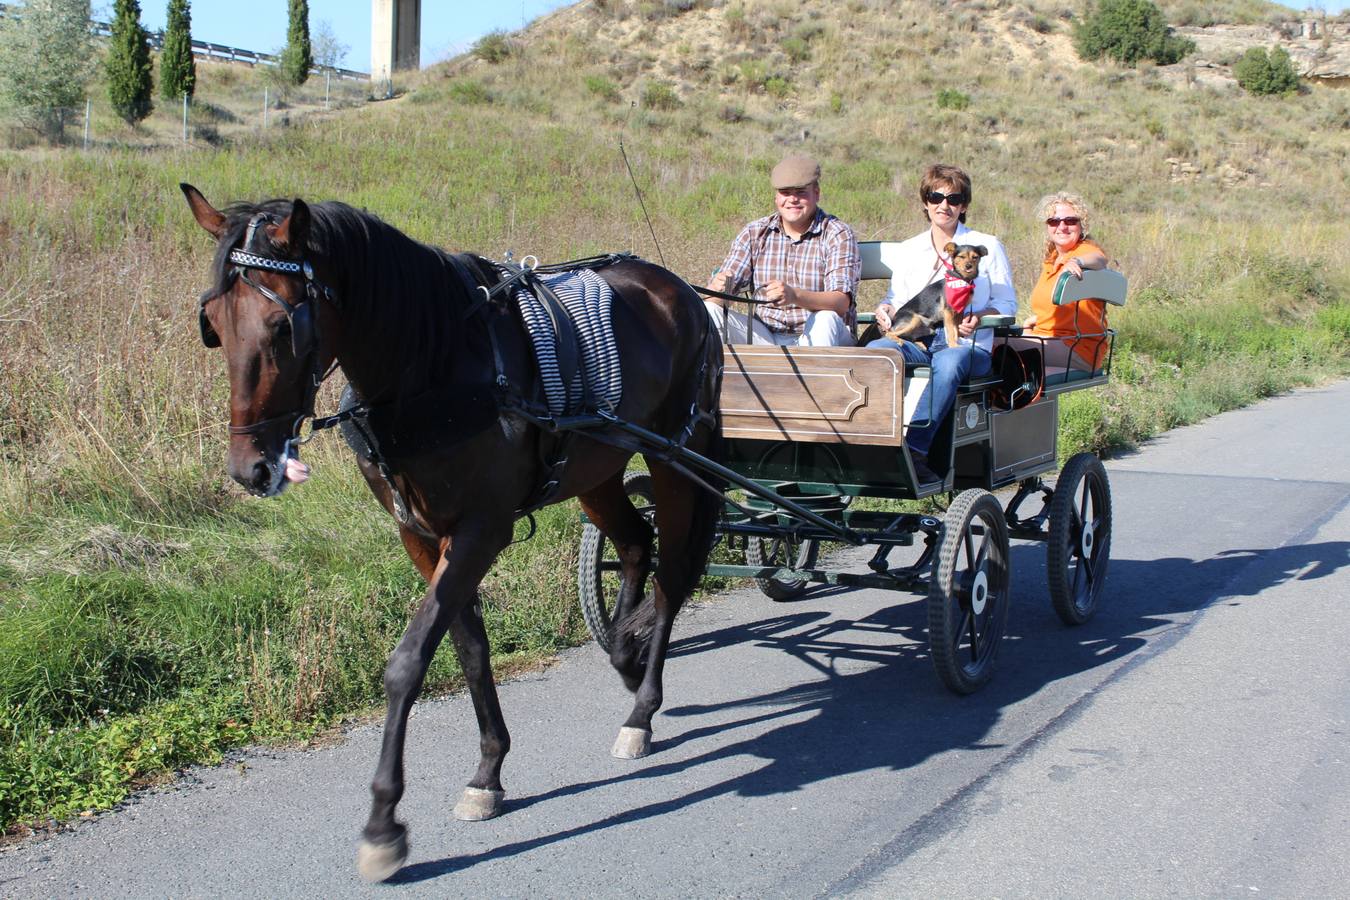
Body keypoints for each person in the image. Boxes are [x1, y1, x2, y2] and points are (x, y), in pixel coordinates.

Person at [867, 164, 1016, 484]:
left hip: (966, 346)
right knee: (877, 350)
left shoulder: (984, 245)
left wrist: (979, 317)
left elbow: (1007, 305)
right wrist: (885, 308)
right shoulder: (909, 249)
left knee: (950, 359)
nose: (943, 205)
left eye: (953, 198)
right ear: (925, 202)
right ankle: (873, 441)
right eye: (936, 197)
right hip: (918, 340)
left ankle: (916, 451)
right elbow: (896, 297)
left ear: (963, 205)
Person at [703, 154, 860, 346]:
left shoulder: (837, 233)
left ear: (816, 193)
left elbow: (841, 302)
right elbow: (719, 300)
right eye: (785, 192)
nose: (793, 199)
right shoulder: (754, 232)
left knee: (825, 318)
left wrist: (794, 296)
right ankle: (717, 376)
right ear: (776, 197)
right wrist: (717, 288)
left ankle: (817, 376)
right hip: (766, 335)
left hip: (824, 336)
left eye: (801, 192)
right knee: (709, 312)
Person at [1024, 191, 1110, 371]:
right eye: (1054, 221)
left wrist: (1078, 261)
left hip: (1077, 347)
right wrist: (1032, 323)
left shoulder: (1083, 251)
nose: (1062, 226)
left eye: (1070, 221)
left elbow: (1100, 260)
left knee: (991, 346)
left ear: (1082, 225)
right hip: (1048, 338)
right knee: (986, 340)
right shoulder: (1051, 259)